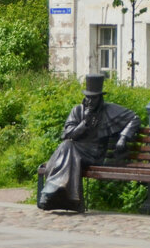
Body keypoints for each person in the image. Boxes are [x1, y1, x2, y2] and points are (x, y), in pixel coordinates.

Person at [37, 73, 141, 212]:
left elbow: (134, 118)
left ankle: (51, 192)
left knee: (67, 147)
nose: (90, 101)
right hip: (75, 152)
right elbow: (67, 135)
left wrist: (123, 137)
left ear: (100, 97)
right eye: (88, 97)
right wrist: (84, 123)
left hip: (95, 155)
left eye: (94, 98)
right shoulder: (77, 111)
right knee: (67, 145)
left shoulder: (109, 110)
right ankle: (61, 195)